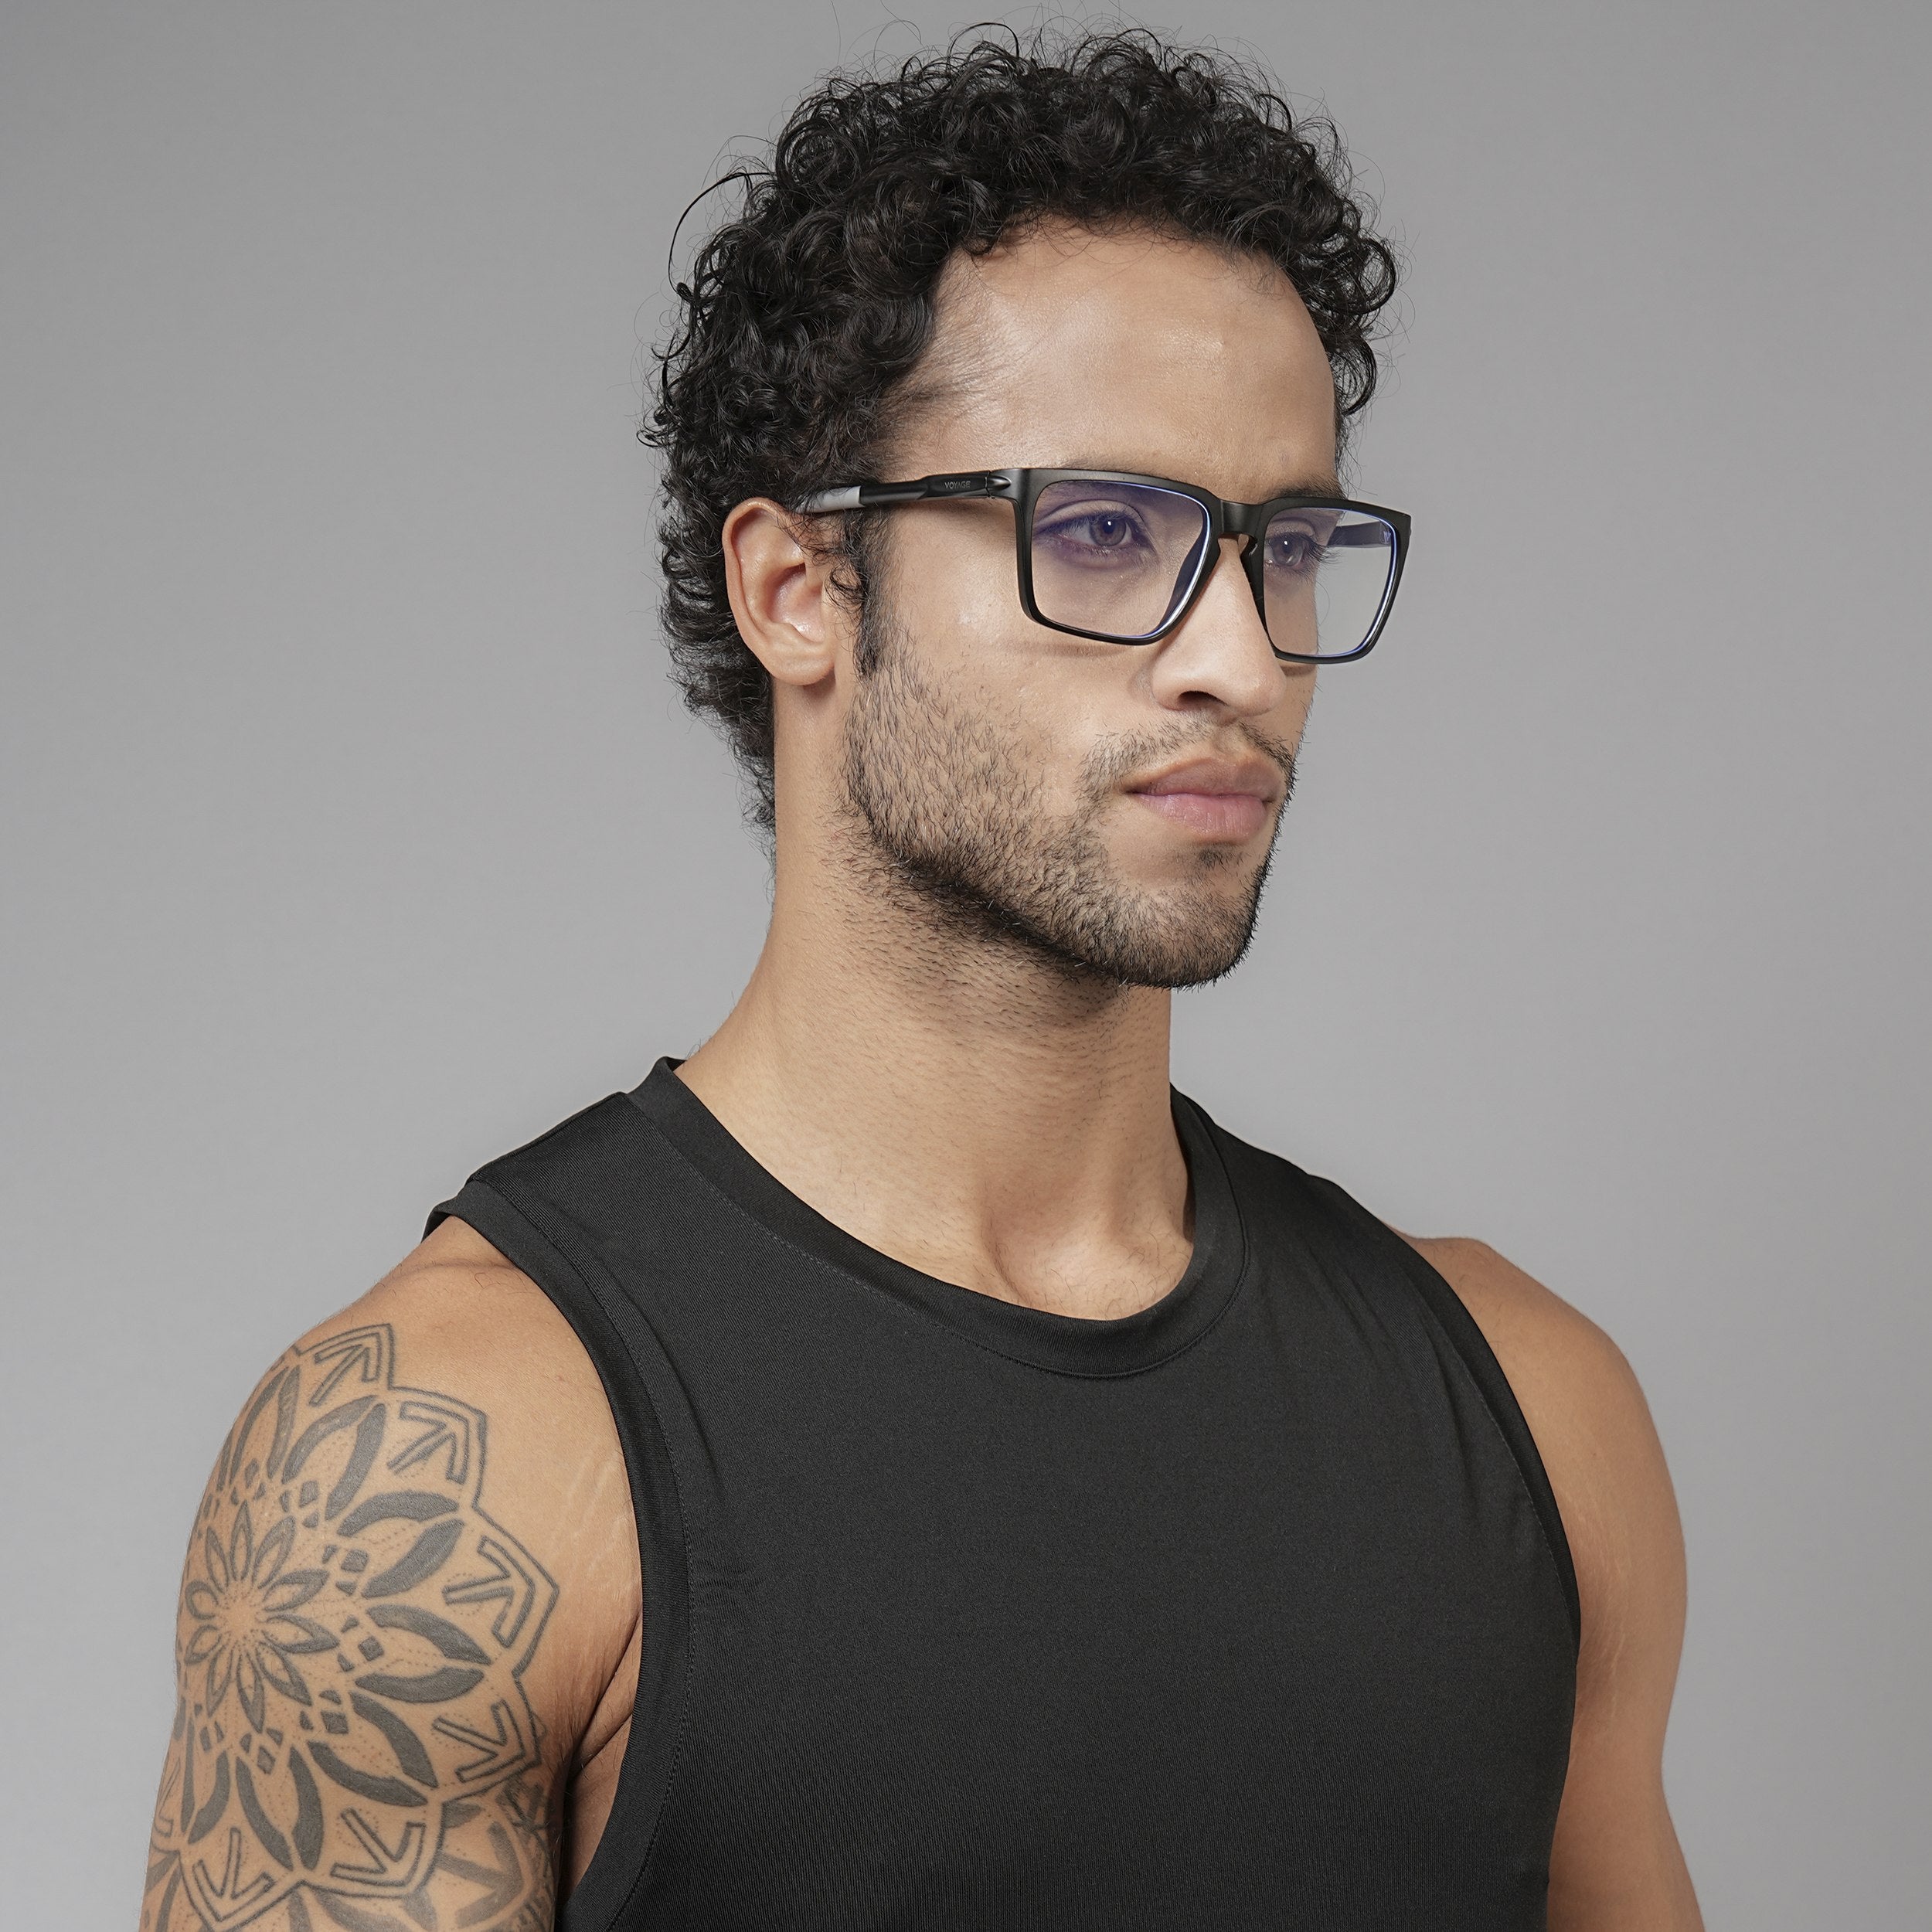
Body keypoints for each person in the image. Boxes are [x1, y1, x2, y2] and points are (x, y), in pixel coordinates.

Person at [141, 29, 1701, 1932]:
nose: (1238, 656)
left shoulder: (1527, 1408)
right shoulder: (443, 1467)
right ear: (800, 587)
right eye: (1102, 533)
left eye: (1281, 545)